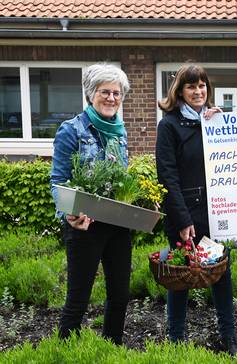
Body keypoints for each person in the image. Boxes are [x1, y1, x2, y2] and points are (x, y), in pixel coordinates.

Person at [155, 64, 237, 356]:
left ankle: (229, 336)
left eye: (202, 85)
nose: (198, 91)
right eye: (191, 86)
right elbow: (167, 176)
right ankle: (176, 338)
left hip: (217, 211)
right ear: (179, 91)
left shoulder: (215, 120)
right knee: (181, 275)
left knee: (221, 273)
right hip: (185, 214)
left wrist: (221, 123)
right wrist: (182, 219)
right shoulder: (169, 125)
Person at [50, 63, 132, 345]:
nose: (111, 98)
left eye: (116, 93)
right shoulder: (71, 130)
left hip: (119, 223)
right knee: (78, 297)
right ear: (90, 93)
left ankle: (112, 349)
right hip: (85, 225)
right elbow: (58, 180)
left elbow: (121, 179)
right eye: (105, 92)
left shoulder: (120, 132)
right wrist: (69, 213)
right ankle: (67, 351)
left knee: (120, 294)